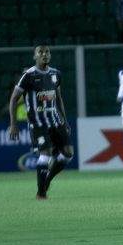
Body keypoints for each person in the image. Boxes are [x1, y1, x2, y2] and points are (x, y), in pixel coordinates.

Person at [8, 45, 74, 200]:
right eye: (41, 52)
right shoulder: (29, 76)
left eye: (47, 52)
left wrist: (64, 121)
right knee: (46, 154)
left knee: (68, 155)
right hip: (38, 123)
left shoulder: (55, 74)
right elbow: (13, 100)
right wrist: (14, 124)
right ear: (35, 56)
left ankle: (47, 180)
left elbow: (58, 99)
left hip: (56, 122)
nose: (44, 54)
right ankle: (41, 193)